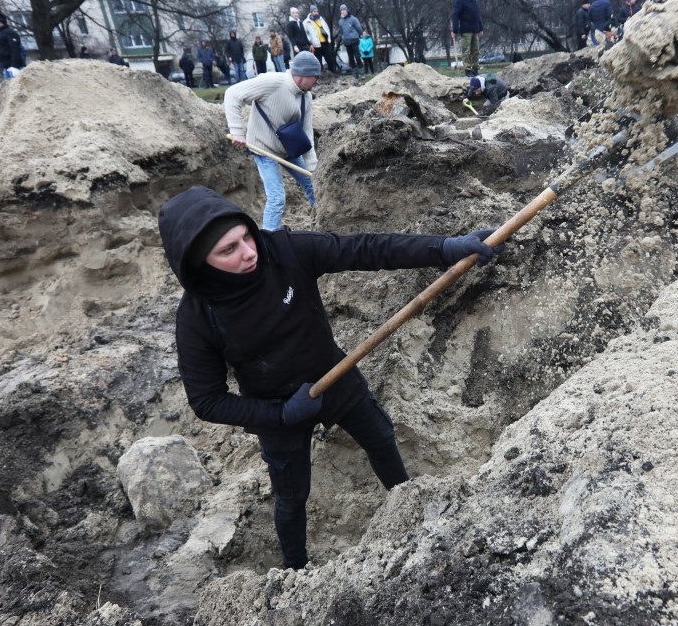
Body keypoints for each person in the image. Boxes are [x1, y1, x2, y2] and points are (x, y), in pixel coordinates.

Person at [157, 185, 503, 570]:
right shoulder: (197, 318)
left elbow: (365, 249)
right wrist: (281, 414)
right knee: (291, 497)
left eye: (245, 236)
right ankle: (295, 569)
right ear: (199, 262)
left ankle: (409, 506)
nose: (249, 252)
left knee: (382, 438)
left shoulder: (282, 251)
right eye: (228, 250)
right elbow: (206, 400)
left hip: (333, 375)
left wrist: (443, 248)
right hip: (275, 409)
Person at [225, 51, 322, 229]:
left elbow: (306, 133)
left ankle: (324, 224)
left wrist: (313, 167)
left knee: (314, 186)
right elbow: (233, 94)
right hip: (264, 149)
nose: (317, 81)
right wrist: (237, 131)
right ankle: (269, 242)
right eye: (315, 76)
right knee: (277, 198)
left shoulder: (305, 97)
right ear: (303, 74)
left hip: (288, 149)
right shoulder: (272, 82)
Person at [451, 0, 484, 77]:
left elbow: (477, 14)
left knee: (476, 51)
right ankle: (468, 70)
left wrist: (480, 27)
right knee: (466, 51)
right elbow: (455, 14)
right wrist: (455, 30)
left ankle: (475, 69)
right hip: (466, 31)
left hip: (475, 30)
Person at [303, 5, 337, 73]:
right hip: (316, 44)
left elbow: (326, 28)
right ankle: (320, 75)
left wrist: (329, 39)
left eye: (317, 11)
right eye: (314, 11)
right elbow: (305, 33)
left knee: (329, 58)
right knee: (318, 61)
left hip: (325, 42)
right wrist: (310, 42)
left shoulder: (321, 19)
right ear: (311, 12)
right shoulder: (306, 22)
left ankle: (333, 72)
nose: (316, 13)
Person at [0, 11, 24, 76]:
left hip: (14, 67)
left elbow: (15, 50)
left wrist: (15, 66)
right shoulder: (0, 33)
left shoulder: (9, 32)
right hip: (6, 67)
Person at [338, 4, 363, 73]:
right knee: (351, 58)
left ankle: (361, 70)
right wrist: (343, 38)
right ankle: (356, 72)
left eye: (344, 10)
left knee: (357, 57)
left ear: (347, 10)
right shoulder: (340, 21)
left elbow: (359, 29)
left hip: (354, 40)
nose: (343, 12)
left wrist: (358, 35)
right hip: (346, 42)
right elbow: (341, 31)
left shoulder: (353, 19)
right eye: (341, 10)